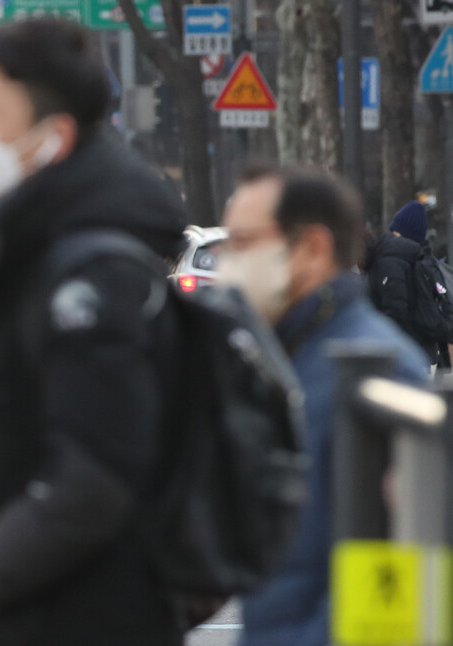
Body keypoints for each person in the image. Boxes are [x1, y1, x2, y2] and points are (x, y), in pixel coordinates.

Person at [0, 19, 189, 646]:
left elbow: (96, 476)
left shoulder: (91, 273)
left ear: (53, 136)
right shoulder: (18, 248)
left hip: (65, 617)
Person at [217, 166, 428, 646]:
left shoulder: (378, 377)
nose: (228, 262)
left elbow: (391, 585)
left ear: (312, 249)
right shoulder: (291, 358)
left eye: (244, 241)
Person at [366, 201, 440, 363]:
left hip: (402, 352)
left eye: (396, 231)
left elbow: (395, 308)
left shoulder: (392, 261)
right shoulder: (422, 259)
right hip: (424, 348)